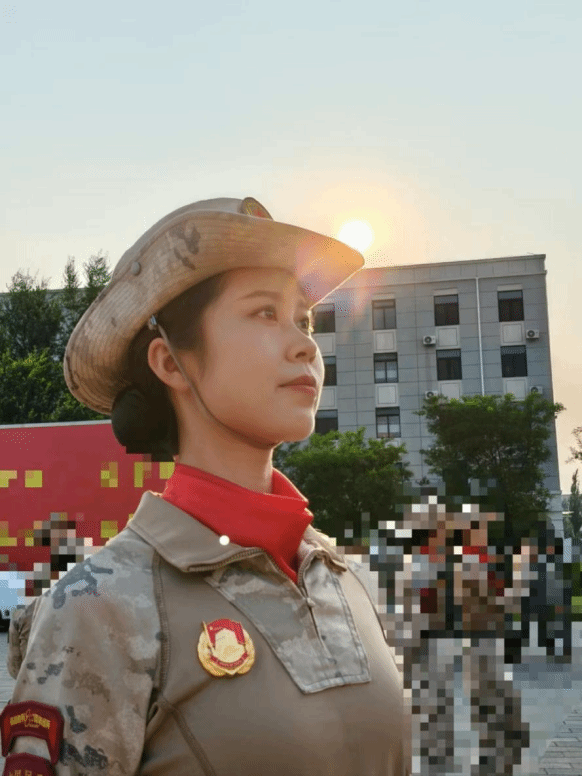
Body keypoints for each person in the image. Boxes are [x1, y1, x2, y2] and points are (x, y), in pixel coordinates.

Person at [1, 196, 411, 776]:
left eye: (304, 320)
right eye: (264, 313)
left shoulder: (342, 577)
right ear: (170, 362)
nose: (306, 346)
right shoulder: (99, 607)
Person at [369, 494, 531, 776]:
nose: (451, 533)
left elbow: (497, 601)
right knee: (436, 705)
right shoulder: (421, 563)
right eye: (444, 528)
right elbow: (406, 607)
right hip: (427, 640)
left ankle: (488, 756)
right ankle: (442, 759)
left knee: (466, 700)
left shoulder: (460, 560)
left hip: (458, 638)